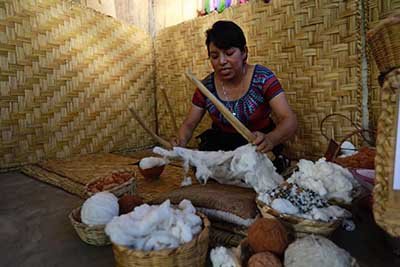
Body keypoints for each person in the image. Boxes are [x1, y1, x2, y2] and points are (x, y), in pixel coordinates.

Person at [172, 20, 297, 171]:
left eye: (229, 53)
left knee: (259, 171)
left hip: (257, 146)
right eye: (214, 56)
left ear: (244, 52)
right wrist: (181, 141)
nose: (222, 61)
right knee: (206, 169)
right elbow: (189, 124)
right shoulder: (206, 87)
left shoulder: (263, 78)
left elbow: (288, 119)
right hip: (222, 148)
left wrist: (271, 139)